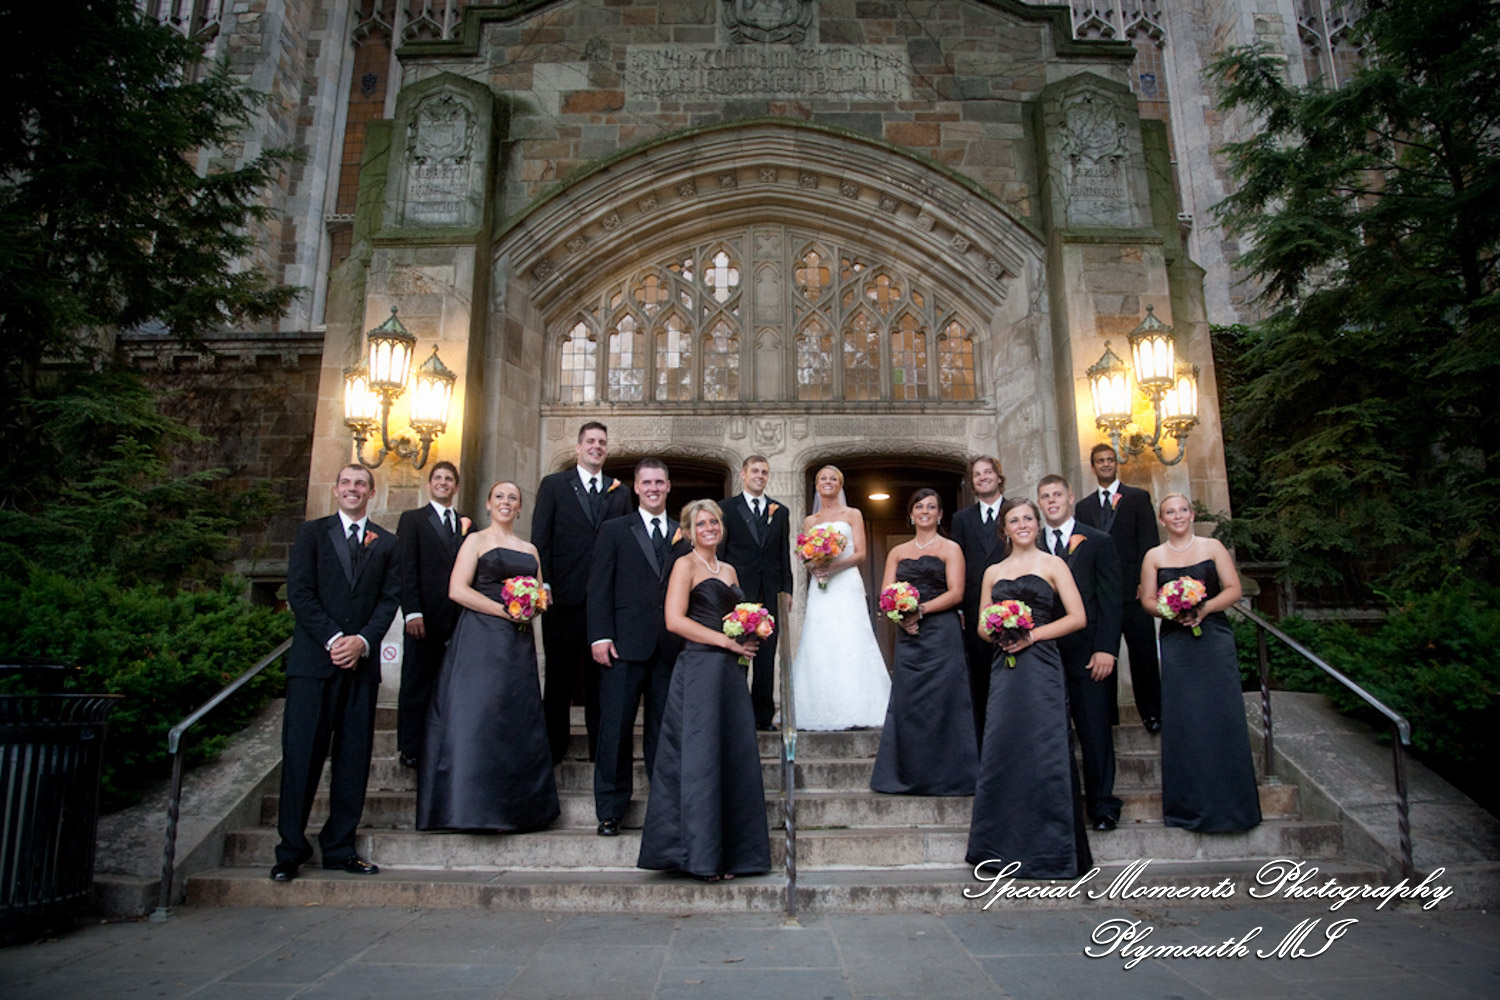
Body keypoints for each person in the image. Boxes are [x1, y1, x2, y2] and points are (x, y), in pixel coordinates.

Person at [271, 464, 400, 881]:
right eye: (346, 483)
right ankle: (290, 849)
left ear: (371, 493)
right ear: (336, 490)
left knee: (353, 762)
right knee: (301, 758)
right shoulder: (312, 534)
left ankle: (340, 847)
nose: (352, 489)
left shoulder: (387, 542)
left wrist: (362, 641)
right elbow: (300, 592)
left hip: (360, 669)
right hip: (313, 666)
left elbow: (389, 599)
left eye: (360, 484)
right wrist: (334, 639)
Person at [638, 499, 772, 880]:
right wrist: (726, 642)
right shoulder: (685, 565)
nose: (709, 528)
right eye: (701, 524)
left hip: (731, 674)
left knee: (730, 757)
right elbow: (674, 620)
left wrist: (751, 632)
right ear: (688, 531)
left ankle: (732, 855)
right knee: (701, 759)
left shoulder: (729, 569)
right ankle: (700, 855)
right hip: (699, 668)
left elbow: (737, 617)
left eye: (714, 522)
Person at [417, 481, 560, 832]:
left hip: (518, 642)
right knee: (479, 713)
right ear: (488, 503)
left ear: (520, 507)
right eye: (499, 496)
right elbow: (457, 589)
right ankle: (470, 807)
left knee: (515, 716)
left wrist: (532, 606)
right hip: (480, 637)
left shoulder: (530, 549)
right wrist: (503, 611)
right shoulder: (476, 541)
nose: (506, 502)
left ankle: (516, 809)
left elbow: (541, 596)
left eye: (513, 497)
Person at [965, 499, 1093, 880]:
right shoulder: (993, 571)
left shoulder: (1054, 565)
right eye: (1013, 520)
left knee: (1044, 745)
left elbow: (1078, 617)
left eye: (1027, 519)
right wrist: (1000, 631)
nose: (1021, 525)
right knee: (1005, 746)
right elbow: (981, 626)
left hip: (1041, 664)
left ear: (1037, 525)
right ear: (1004, 529)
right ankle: (999, 847)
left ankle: (1052, 849)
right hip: (1004, 665)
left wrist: (1032, 635)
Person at [1140, 493, 1262, 833]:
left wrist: (1203, 608)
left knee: (1221, 715)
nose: (1177, 516)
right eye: (1170, 512)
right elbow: (1147, 600)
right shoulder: (1154, 556)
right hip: (1177, 641)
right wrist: (1171, 610)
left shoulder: (1212, 547)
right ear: (1162, 520)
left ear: (1191, 515)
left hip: (1213, 637)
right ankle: (1188, 806)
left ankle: (1233, 807)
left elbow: (1233, 589)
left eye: (1182, 510)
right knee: (1185, 717)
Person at [588, 458, 688, 836]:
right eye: (646, 483)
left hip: (669, 647)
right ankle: (610, 811)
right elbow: (599, 585)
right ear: (636, 487)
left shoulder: (683, 534)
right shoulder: (615, 529)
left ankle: (665, 809)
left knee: (664, 732)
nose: (653, 489)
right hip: (622, 646)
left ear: (669, 486)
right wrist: (600, 636)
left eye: (659, 482)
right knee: (615, 729)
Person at [534, 421, 631, 764]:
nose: (596, 446)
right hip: (562, 598)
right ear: (578, 447)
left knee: (601, 681)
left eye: (602, 442)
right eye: (590, 441)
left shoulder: (620, 492)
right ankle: (554, 749)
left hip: (604, 603)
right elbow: (541, 538)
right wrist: (544, 583)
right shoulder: (554, 485)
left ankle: (599, 751)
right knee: (559, 678)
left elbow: (626, 546)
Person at [870, 489, 977, 796]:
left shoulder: (950, 548)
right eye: (919, 506)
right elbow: (886, 595)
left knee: (945, 700)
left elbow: (956, 593)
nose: (925, 511)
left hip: (942, 633)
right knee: (910, 703)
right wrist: (901, 616)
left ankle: (950, 777)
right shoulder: (897, 552)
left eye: (932, 506)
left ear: (940, 514)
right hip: (909, 635)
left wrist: (921, 610)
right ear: (911, 514)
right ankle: (907, 775)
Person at [1038, 474, 1125, 831]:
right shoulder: (1030, 545)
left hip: (1089, 654)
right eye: (1045, 496)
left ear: (1070, 498)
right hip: (1043, 656)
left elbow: (1111, 600)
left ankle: (1102, 804)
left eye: (1057, 495)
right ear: (1039, 503)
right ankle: (1057, 808)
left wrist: (1106, 649)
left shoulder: (1098, 541)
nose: (1052, 501)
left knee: (1094, 732)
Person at [790, 465, 891, 731]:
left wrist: (834, 566)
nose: (828, 482)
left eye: (833, 478)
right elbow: (805, 555)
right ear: (816, 485)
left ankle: (860, 705)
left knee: (851, 635)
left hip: (846, 582)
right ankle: (818, 707)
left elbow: (860, 553)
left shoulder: (853, 514)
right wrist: (815, 564)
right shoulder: (811, 521)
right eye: (823, 478)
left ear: (840, 485)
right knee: (821, 637)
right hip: (822, 584)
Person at [1075, 443, 1162, 733]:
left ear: (1116, 463)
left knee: (1143, 654)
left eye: (1110, 460)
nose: (1105, 464)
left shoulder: (1137, 498)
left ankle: (1152, 713)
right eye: (1100, 460)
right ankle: (1108, 716)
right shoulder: (1083, 507)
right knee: (1104, 654)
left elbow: (1148, 543)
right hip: (1101, 596)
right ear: (1092, 467)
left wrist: (1145, 582)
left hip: (1133, 592)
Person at [395, 460, 467, 769]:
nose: (443, 482)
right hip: (422, 617)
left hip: (456, 619)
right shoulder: (412, 520)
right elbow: (405, 567)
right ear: (429, 485)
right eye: (438, 478)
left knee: (449, 686)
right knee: (417, 682)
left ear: (456, 487)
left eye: (449, 479)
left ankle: (444, 744)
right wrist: (411, 611)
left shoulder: (465, 524)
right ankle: (410, 748)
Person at [718, 454, 794, 731]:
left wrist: (787, 589)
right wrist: (722, 589)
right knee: (737, 652)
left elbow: (783, 553)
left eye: (764, 472)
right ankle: (736, 716)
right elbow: (722, 552)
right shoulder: (726, 508)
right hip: (738, 592)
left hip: (770, 591)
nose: (760, 476)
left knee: (766, 653)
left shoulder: (780, 511)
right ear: (743, 474)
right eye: (755, 471)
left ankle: (762, 716)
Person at [949, 455, 1007, 747]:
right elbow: (958, 564)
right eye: (977, 474)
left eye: (988, 472)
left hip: (1012, 604)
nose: (983, 477)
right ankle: (984, 746)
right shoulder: (962, 519)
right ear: (972, 482)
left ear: (999, 476)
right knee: (980, 678)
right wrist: (959, 607)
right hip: (974, 610)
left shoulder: (1015, 512)